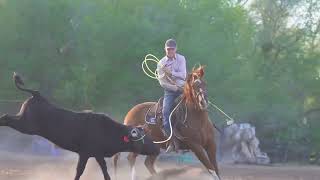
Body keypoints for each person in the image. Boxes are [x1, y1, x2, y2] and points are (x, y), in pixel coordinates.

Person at [156, 39, 187, 152]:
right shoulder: (161, 63)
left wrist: (171, 73)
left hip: (183, 88)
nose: (170, 51)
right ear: (165, 49)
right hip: (170, 91)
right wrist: (174, 88)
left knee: (197, 102)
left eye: (172, 49)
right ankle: (172, 141)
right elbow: (162, 82)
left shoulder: (181, 58)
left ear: (176, 49)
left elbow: (183, 75)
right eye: (168, 49)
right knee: (165, 113)